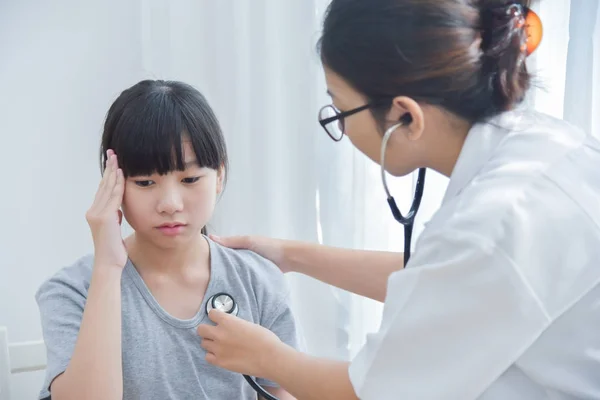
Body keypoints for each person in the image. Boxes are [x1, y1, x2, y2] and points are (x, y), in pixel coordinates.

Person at [195, 0, 600, 399]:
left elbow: (367, 391)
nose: (344, 131)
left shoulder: (490, 226)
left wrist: (266, 357)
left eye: (340, 111)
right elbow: (443, 282)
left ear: (405, 116)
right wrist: (290, 255)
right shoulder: (545, 142)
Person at [35, 79, 301, 400]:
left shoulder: (258, 280)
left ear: (219, 176)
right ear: (113, 184)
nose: (170, 203)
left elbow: (283, 393)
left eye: (190, 179)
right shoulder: (71, 291)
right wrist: (107, 267)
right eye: (146, 182)